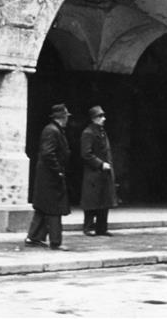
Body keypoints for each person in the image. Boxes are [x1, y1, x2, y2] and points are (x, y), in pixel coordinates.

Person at [25, 103, 72, 250]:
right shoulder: (52, 130)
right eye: (66, 116)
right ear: (62, 117)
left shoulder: (54, 130)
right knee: (54, 209)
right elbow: (48, 153)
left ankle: (33, 237)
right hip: (50, 177)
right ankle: (55, 242)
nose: (67, 119)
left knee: (43, 208)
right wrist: (58, 170)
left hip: (48, 176)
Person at [80, 105, 118, 236]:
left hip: (104, 173)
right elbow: (86, 154)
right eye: (100, 116)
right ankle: (88, 227)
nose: (103, 118)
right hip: (93, 173)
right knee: (92, 202)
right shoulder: (88, 133)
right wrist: (100, 164)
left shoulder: (102, 132)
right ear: (93, 118)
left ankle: (102, 228)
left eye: (103, 116)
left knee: (104, 201)